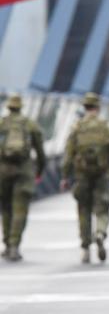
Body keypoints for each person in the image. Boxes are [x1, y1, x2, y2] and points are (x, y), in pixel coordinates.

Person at [61, 92, 109, 264]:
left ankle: (85, 247)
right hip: (103, 174)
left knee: (83, 209)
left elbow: (68, 154)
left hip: (82, 175)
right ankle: (100, 233)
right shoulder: (106, 127)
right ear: (98, 107)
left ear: (85, 107)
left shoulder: (77, 127)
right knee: (102, 208)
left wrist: (65, 176)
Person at [0, 94, 46, 262]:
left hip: (3, 171)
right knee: (20, 210)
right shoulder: (29, 125)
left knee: (5, 208)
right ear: (21, 107)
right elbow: (40, 152)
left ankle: (6, 243)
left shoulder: (2, 124)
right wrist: (40, 171)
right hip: (24, 171)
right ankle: (14, 245)